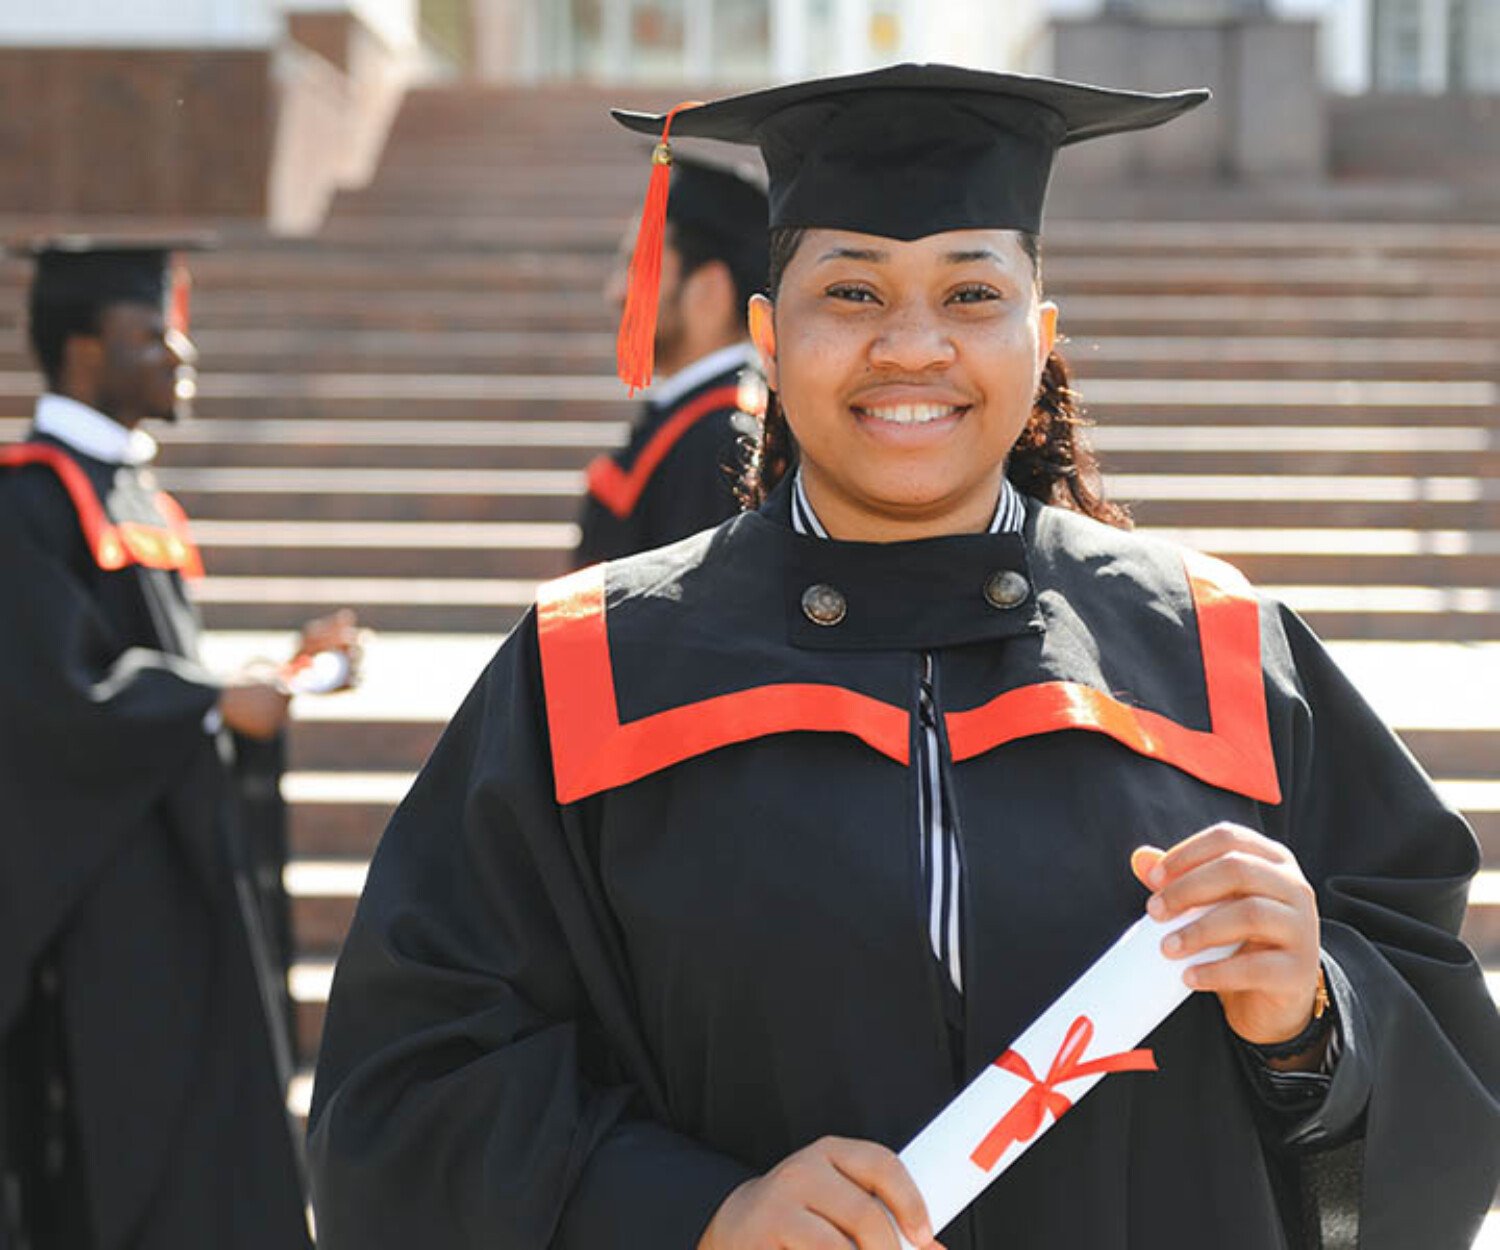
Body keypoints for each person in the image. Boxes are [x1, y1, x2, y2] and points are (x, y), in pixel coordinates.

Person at [308, 65, 1500, 1250]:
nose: (913, 345)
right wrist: (698, 1214)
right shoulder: (593, 670)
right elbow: (405, 1098)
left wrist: (1312, 1019)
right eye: (854, 290)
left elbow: (1436, 1119)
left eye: (972, 292)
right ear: (768, 340)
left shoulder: (1222, 653)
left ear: (1040, 340)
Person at [0, 239, 362, 1250]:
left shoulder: (132, 492)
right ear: (82, 350)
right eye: (151, 332)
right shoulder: (25, 498)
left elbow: (147, 674)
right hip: (91, 903)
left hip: (176, 875)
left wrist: (275, 678)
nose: (180, 351)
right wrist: (211, 700)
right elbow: (45, 703)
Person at [574, 153, 769, 567]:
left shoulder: (722, 443)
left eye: (640, 267)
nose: (617, 292)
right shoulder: (697, 423)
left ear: (708, 290)